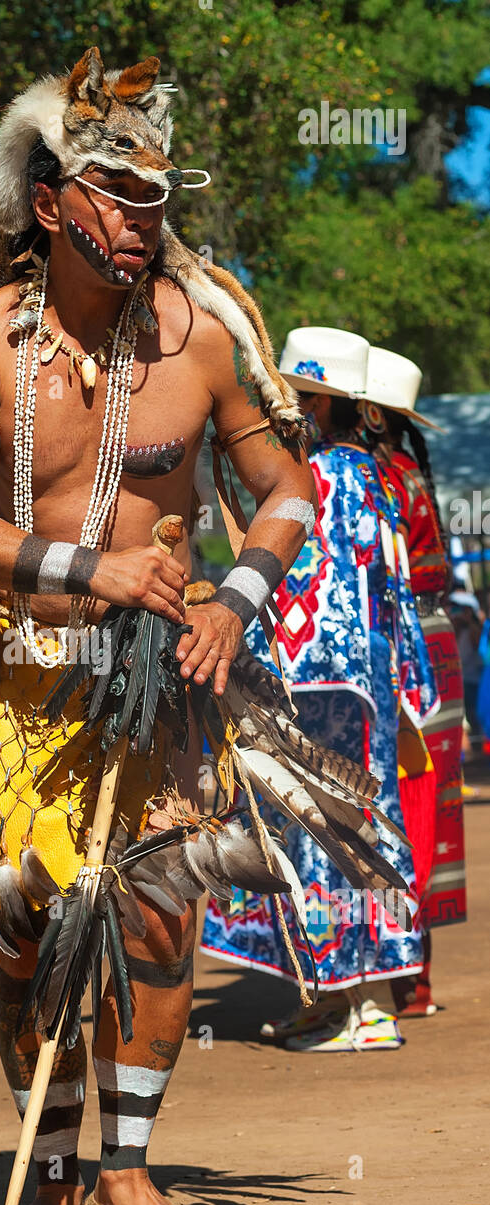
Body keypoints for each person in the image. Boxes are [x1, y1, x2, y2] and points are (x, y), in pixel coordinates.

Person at [0, 48, 319, 1205]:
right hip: (21, 677)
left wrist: (233, 593)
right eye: (114, 196)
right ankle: (52, 1177)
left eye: (156, 200)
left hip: (167, 681)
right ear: (49, 203)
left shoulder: (199, 340)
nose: (142, 222)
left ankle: (125, 1181)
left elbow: (286, 485)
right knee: (33, 927)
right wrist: (93, 573)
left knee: (154, 922)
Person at [202, 327, 437, 1052]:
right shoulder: (355, 473)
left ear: (317, 405)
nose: (280, 410)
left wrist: (257, 657)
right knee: (318, 836)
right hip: (341, 684)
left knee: (335, 832)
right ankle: (329, 996)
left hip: (324, 687)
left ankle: (364, 1007)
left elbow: (313, 583)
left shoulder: (325, 478)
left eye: (292, 399)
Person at [364, 347, 467, 1016]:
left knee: (395, 800)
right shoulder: (409, 471)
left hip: (399, 648)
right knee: (424, 802)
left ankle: (393, 973)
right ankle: (414, 981)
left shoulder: (371, 477)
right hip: (437, 645)